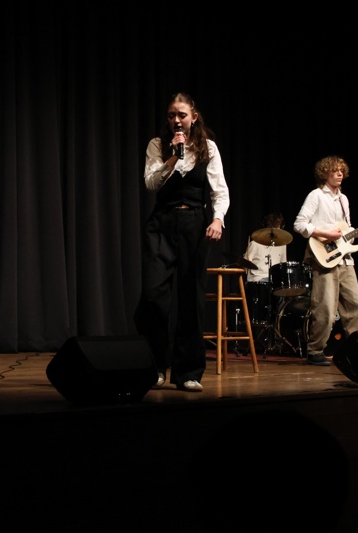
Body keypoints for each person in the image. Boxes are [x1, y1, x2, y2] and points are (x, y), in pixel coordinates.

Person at [134, 92, 230, 392]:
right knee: (153, 297)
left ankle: (188, 372)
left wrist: (217, 219)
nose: (176, 120)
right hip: (162, 223)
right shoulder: (158, 145)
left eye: (182, 115)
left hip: (194, 224)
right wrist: (173, 157)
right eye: (171, 115)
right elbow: (151, 183)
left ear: (194, 117)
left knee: (190, 299)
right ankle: (155, 366)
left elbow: (219, 190)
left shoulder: (207, 147)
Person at [293, 155, 358, 366]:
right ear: (324, 173)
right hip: (324, 258)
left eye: (342, 171)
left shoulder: (344, 199)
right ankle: (315, 350)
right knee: (325, 309)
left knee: (355, 308)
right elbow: (299, 225)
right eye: (335, 171)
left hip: (345, 259)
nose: (339, 174)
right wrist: (326, 233)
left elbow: (348, 232)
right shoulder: (316, 195)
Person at [244, 212, 287, 285]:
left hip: (275, 280)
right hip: (258, 279)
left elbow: (283, 266)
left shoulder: (282, 245)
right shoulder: (255, 244)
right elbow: (245, 265)